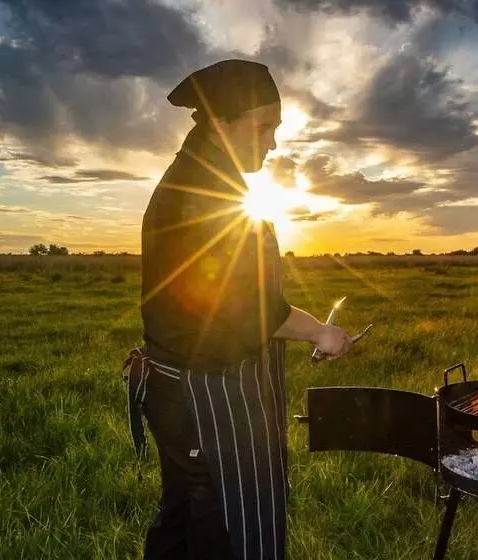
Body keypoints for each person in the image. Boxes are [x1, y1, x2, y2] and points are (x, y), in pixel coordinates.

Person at [123, 59, 354, 560]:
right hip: (205, 395)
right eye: (263, 127)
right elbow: (247, 308)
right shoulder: (205, 196)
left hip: (178, 389)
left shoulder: (201, 180)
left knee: (184, 517)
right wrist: (322, 333)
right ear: (221, 124)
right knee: (227, 533)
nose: (272, 143)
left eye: (276, 129)